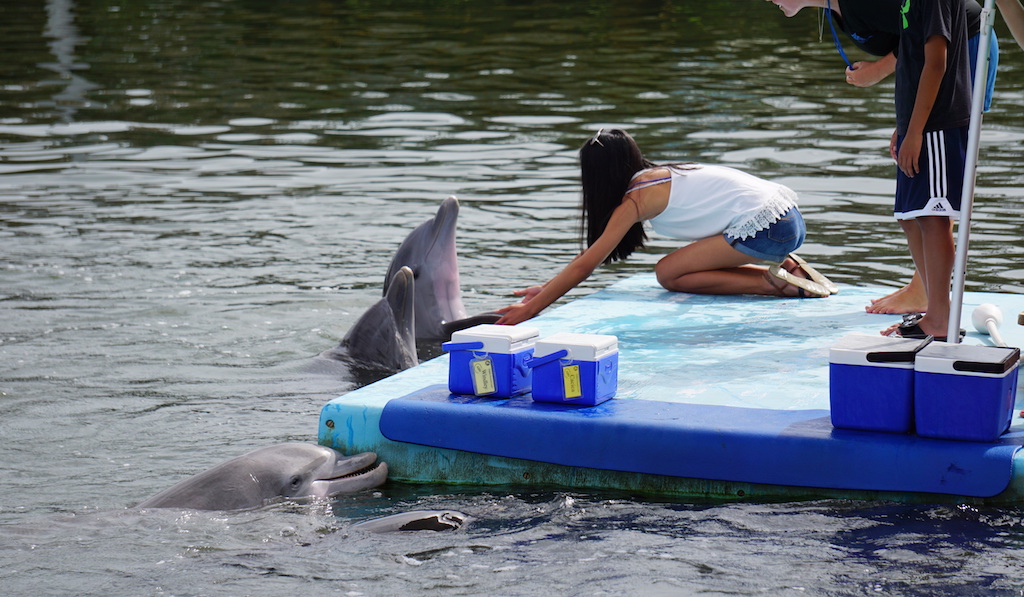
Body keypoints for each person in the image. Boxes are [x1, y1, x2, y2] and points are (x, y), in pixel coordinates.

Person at [765, 0, 998, 316]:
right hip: (921, 89)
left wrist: (883, 77)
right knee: (913, 211)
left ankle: (934, 302)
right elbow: (913, 41)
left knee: (935, 205)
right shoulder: (839, 10)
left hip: (966, 47)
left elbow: (934, 44)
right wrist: (907, 124)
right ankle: (930, 295)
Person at [493, 129, 837, 326]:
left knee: (668, 273)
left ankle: (774, 283)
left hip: (770, 228)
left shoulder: (636, 199)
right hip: (787, 217)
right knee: (673, 269)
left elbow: (588, 262)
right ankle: (788, 268)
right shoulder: (661, 175)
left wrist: (530, 310)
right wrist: (549, 288)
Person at [881, 0, 973, 341]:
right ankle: (936, 308)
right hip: (920, 123)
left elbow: (936, 62)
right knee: (910, 215)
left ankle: (938, 318)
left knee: (934, 215)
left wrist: (917, 130)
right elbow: (913, 59)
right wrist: (905, 125)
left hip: (938, 124)